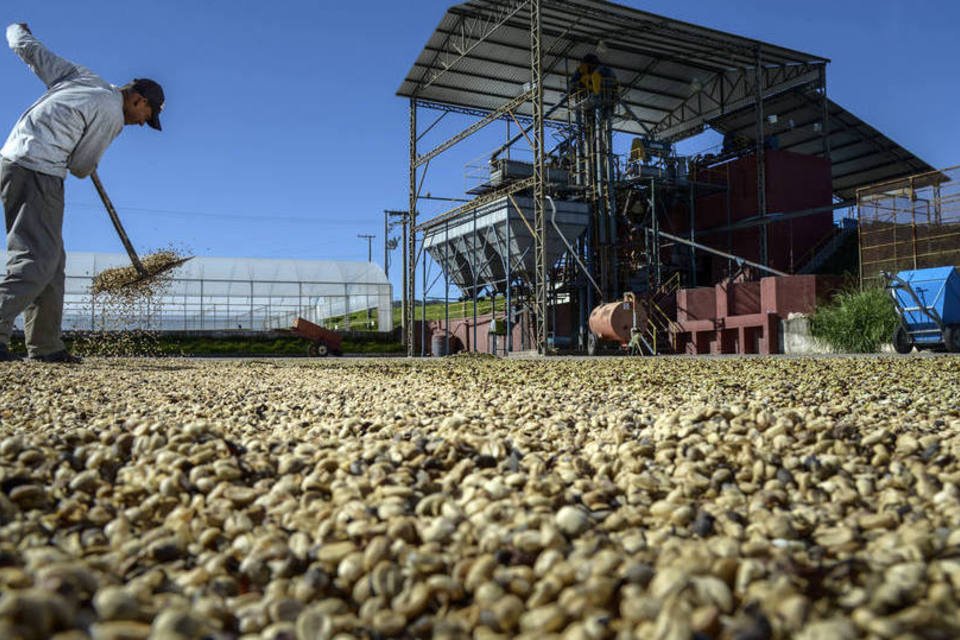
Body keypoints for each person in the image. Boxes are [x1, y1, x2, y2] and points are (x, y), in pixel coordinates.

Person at [0, 23, 164, 363]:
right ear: (138, 99)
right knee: (36, 259)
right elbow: (80, 166)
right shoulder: (112, 115)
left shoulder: (83, 78)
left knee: (53, 260)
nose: (140, 123)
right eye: (145, 116)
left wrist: (17, 30)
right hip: (39, 170)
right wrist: (89, 160)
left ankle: (45, 346)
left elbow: (29, 49)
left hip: (15, 160)